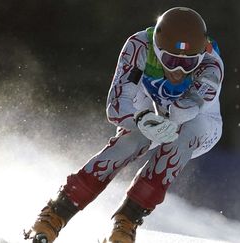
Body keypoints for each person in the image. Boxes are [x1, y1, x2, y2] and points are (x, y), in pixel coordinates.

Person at [24, 6, 224, 243]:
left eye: (189, 63)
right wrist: (140, 120)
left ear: (201, 55)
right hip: (151, 107)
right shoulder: (139, 47)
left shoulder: (211, 63)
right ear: (157, 49)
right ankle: (55, 213)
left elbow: (186, 110)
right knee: (132, 141)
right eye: (170, 60)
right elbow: (116, 106)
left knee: (183, 136)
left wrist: (156, 121)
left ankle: (127, 221)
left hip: (200, 123)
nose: (178, 71)